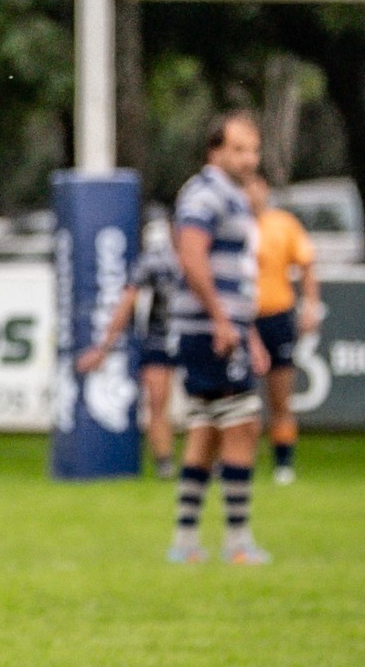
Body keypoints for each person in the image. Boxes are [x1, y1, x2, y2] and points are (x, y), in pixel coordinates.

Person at [167, 113, 272, 566]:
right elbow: (191, 256)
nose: (249, 159)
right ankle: (237, 540)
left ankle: (186, 541)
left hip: (222, 327)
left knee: (207, 430)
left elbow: (237, 275)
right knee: (242, 425)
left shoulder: (232, 196)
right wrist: (222, 321)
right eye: (238, 149)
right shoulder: (205, 193)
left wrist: (247, 329)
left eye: (253, 150)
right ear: (215, 151)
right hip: (210, 330)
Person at [74, 209, 181, 479]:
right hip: (161, 337)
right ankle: (165, 463)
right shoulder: (156, 261)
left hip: (197, 335)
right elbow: (127, 302)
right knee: (157, 401)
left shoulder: (206, 258)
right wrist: (105, 347)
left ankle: (203, 462)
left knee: (209, 402)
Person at [247, 174, 321, 486]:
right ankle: (238, 461)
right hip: (243, 320)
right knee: (239, 398)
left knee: (280, 396)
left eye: (256, 188)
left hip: (277, 316)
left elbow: (306, 265)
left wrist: (310, 306)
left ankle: (283, 463)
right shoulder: (233, 226)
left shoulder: (283, 224)